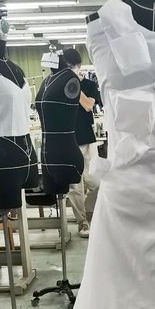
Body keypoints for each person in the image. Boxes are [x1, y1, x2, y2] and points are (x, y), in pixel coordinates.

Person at [62, 48, 100, 239]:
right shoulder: (59, 85)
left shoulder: (89, 85)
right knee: (75, 186)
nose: (69, 70)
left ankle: (94, 215)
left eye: (72, 67)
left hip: (87, 139)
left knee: (96, 182)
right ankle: (82, 222)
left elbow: (88, 105)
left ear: (78, 66)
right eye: (66, 67)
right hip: (68, 140)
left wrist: (73, 84)